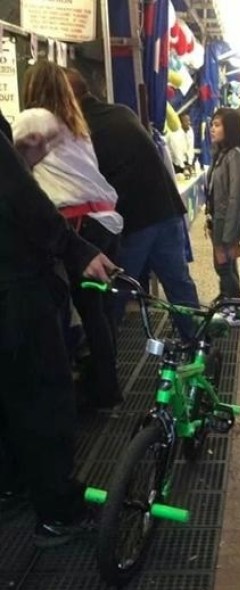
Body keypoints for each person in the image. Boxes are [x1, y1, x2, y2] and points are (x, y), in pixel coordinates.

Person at [0, 112, 117, 546]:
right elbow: (16, 195)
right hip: (15, 290)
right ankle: (58, 512)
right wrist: (71, 246)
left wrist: (22, 159)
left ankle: (11, 485)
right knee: (42, 398)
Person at [14, 60, 123, 409]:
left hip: (76, 225)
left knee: (64, 310)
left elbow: (10, 162)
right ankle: (105, 384)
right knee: (98, 314)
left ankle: (83, 392)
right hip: (104, 220)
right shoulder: (76, 124)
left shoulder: (33, 118)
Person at [65, 69, 200, 340]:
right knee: (179, 285)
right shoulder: (122, 112)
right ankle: (197, 344)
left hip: (134, 221)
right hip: (166, 209)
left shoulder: (79, 130)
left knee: (116, 292)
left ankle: (104, 362)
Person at [206, 108, 240, 299]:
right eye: (212, 124)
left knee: (223, 265)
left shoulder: (236, 156)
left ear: (230, 129)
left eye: (217, 125)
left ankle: (234, 303)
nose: (212, 129)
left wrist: (229, 232)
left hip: (228, 221)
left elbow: (237, 197)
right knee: (227, 263)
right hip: (219, 219)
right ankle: (228, 296)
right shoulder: (222, 154)